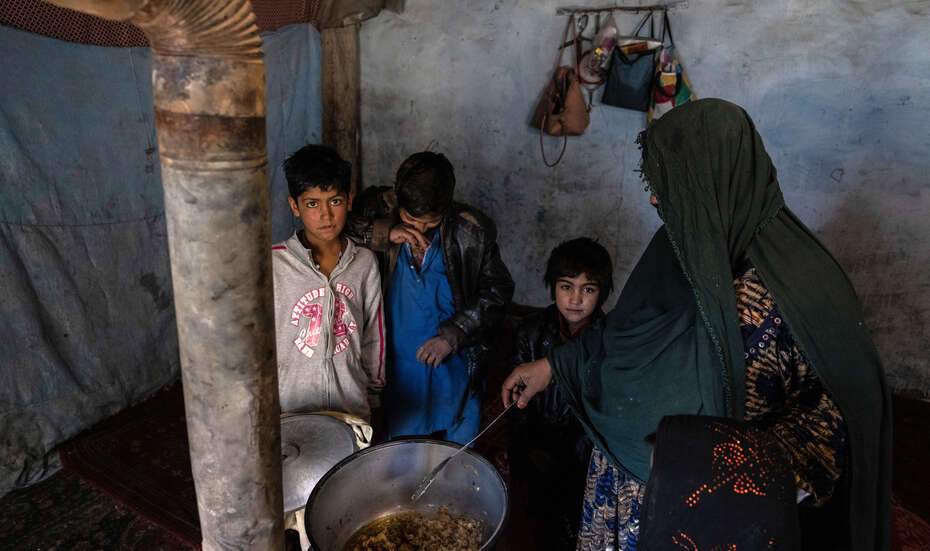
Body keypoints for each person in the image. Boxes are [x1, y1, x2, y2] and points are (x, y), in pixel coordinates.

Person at [502, 99, 891, 551]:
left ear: (714, 182)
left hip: (712, 510)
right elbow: (624, 333)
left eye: (669, 182)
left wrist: (699, 460)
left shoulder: (798, 289)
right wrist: (552, 366)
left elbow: (831, 418)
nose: (653, 197)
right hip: (621, 480)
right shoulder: (676, 246)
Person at [347, 151, 514, 444]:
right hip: (399, 361)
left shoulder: (470, 231)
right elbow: (340, 226)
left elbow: (498, 290)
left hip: (456, 360)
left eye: (431, 222)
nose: (420, 229)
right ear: (397, 196)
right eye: (412, 219)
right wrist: (386, 232)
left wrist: (455, 334)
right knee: (401, 449)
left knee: (458, 455)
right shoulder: (378, 207)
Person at [509, 237, 613, 551]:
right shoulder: (530, 332)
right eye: (566, 286)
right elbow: (517, 404)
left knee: (576, 521)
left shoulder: (610, 341)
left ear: (602, 292)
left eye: (588, 289)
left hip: (584, 453)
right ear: (552, 286)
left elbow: (604, 409)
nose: (575, 299)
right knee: (539, 521)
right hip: (537, 446)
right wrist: (526, 452)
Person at [272, 144, 385, 423]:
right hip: (291, 405)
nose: (325, 215)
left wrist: (374, 391)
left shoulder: (364, 262)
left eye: (334, 201)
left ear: (349, 200)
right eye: (312, 203)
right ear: (294, 206)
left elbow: (374, 332)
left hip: (351, 403)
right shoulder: (274, 265)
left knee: (350, 465)